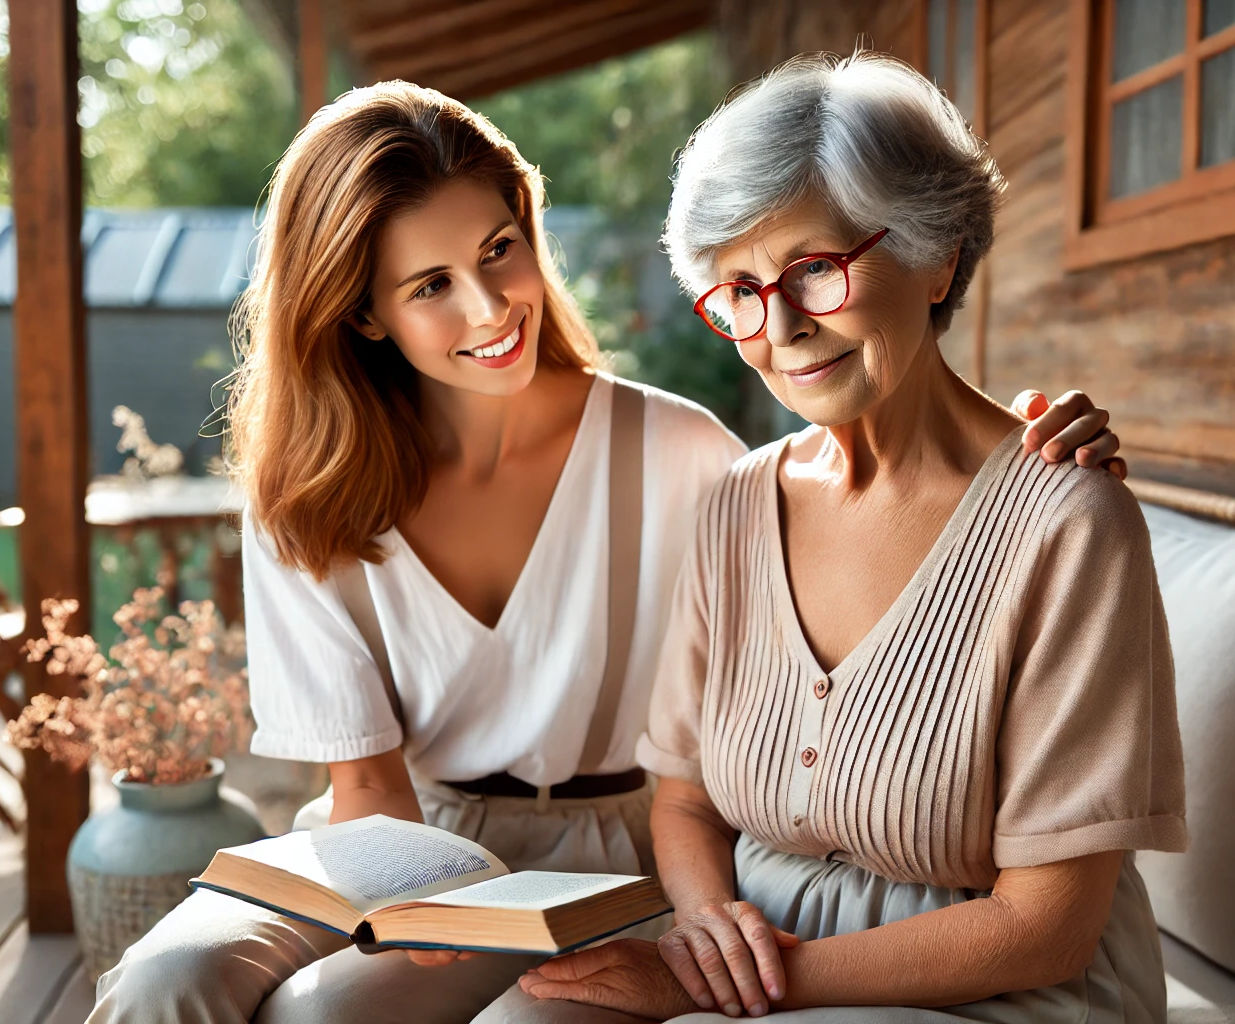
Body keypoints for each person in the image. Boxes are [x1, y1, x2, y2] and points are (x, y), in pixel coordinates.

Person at [88, 80, 1128, 1024]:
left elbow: (883, 493)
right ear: (360, 312)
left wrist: (1019, 448)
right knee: (164, 981)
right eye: (430, 285)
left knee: (335, 1016)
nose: (491, 309)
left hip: (619, 850)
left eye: (500, 250)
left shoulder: (683, 457)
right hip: (408, 841)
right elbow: (368, 796)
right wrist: (416, 922)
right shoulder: (304, 501)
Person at [502, 52, 1185, 1024]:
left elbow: (1047, 928)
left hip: (992, 986)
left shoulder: (1069, 518)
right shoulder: (736, 504)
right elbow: (685, 800)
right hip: (758, 961)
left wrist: (733, 986)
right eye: (736, 287)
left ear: (936, 252)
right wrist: (705, 931)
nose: (778, 325)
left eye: (814, 269)